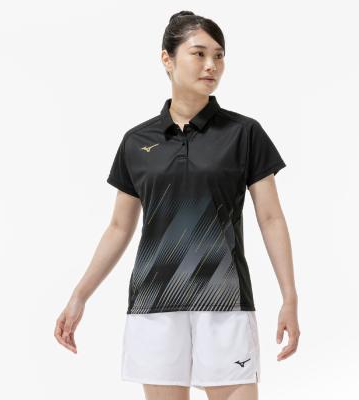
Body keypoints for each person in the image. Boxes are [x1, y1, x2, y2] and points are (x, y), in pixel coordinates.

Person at [54, 10, 300, 400]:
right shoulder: (137, 141)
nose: (211, 65)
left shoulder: (244, 133)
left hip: (225, 302)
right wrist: (79, 296)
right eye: (199, 53)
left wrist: (289, 296)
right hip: (155, 304)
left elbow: (270, 218)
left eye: (219, 55)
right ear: (167, 59)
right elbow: (119, 227)